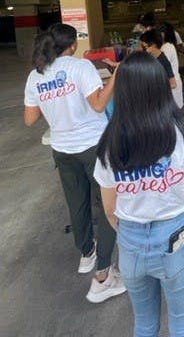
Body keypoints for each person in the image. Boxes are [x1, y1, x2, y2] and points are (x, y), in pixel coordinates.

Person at [94, 52, 184, 337]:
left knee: (144, 324)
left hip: (130, 243)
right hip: (175, 238)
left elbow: (109, 208)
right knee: (183, 324)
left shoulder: (110, 140)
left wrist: (131, 233)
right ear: (160, 86)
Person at [23, 23, 126, 303]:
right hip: (92, 146)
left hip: (62, 150)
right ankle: (104, 271)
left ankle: (86, 254)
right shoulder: (81, 68)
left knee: (77, 201)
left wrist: (56, 107)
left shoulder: (36, 76)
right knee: (106, 204)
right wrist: (115, 79)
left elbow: (30, 119)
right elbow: (98, 105)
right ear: (72, 44)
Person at [139, 30, 178, 97]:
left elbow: (173, 84)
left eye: (146, 42)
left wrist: (154, 86)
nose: (143, 44)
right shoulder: (149, 56)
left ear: (154, 44)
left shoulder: (163, 60)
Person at [161, 24, 184, 108]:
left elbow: (164, 66)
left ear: (163, 34)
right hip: (174, 81)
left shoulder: (166, 47)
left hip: (172, 82)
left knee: (173, 110)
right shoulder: (169, 45)